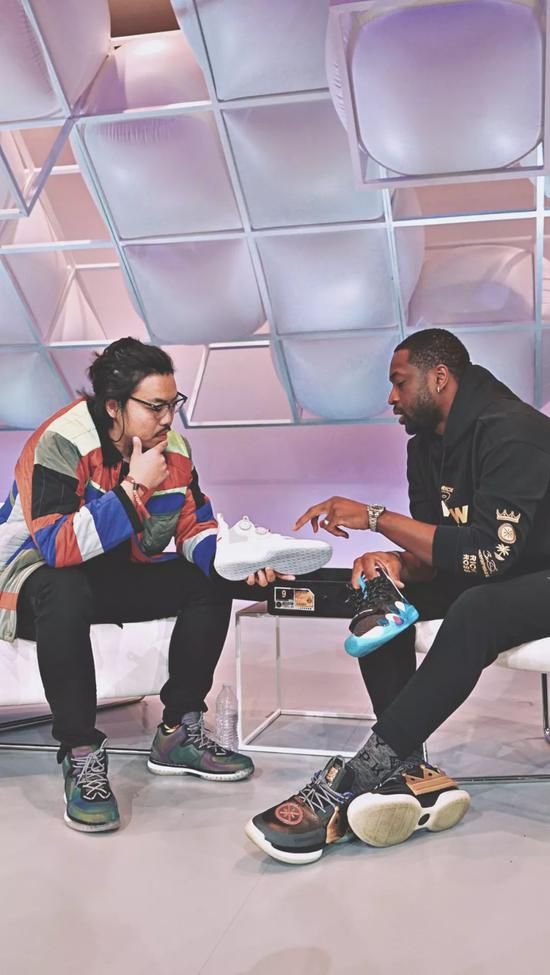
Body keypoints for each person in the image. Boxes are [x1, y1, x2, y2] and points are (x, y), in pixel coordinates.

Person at [246, 327, 550, 865]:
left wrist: (375, 519)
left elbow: (487, 556)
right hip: (503, 573)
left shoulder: (514, 430)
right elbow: (438, 554)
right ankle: (408, 769)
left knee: (477, 610)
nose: (391, 397)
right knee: (379, 594)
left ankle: (360, 775)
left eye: (399, 382)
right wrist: (395, 564)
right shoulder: (424, 447)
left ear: (439, 377)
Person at [0, 337, 288, 833]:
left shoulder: (173, 450)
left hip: (112, 574)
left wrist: (239, 563)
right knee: (65, 587)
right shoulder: (62, 440)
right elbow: (58, 547)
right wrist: (135, 487)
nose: (168, 418)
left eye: (173, 404)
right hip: (30, 582)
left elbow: (194, 528)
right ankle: (81, 751)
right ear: (114, 406)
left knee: (208, 580)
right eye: (155, 407)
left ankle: (178, 733)